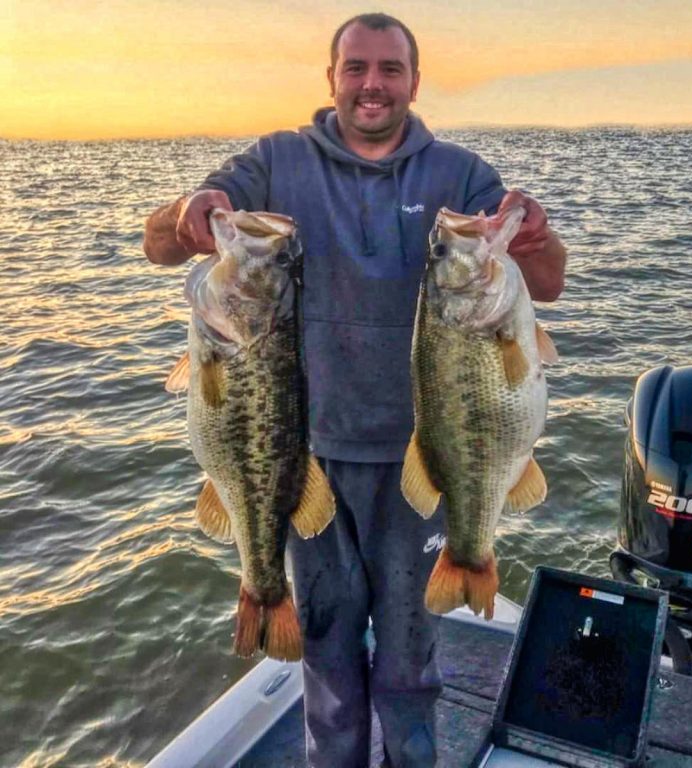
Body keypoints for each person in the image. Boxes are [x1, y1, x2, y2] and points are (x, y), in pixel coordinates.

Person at [144, 12, 566, 768]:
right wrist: (188, 215)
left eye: (390, 69)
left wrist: (534, 236)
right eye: (357, 68)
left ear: (412, 80)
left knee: (409, 662)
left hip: (426, 455)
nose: (373, 85)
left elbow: (549, 283)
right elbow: (160, 243)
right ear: (332, 77)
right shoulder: (276, 161)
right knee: (329, 655)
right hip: (307, 457)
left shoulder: (461, 176)